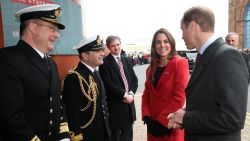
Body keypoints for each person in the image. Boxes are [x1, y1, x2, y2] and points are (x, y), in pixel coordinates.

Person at [167, 6, 249, 141]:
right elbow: (207, 103)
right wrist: (184, 114)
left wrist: (187, 118)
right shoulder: (204, 55)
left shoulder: (227, 56)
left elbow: (233, 118)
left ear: (192, 26)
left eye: (182, 29)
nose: (181, 36)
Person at [0, 4, 70, 141]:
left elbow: (58, 105)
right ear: (32, 27)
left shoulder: (51, 63)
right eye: (52, 29)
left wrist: (64, 137)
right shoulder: (7, 60)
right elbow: (11, 119)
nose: (56, 35)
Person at [141, 28, 189, 141]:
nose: (162, 45)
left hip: (170, 124)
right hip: (153, 126)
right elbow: (146, 95)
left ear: (171, 43)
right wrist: (147, 117)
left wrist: (162, 122)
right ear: (154, 45)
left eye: (166, 41)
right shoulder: (150, 68)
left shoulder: (180, 63)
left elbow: (179, 97)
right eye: (158, 42)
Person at [62, 35, 111, 141]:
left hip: (102, 133)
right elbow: (71, 113)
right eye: (98, 51)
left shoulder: (95, 72)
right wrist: (77, 137)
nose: (103, 53)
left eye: (101, 50)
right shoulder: (74, 77)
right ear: (85, 55)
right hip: (88, 136)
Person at [99, 35, 138, 141]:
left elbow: (134, 80)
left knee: (128, 135)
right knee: (115, 137)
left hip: (129, 106)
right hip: (116, 107)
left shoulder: (126, 60)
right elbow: (107, 84)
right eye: (113, 46)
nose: (116, 48)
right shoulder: (104, 63)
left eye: (118, 44)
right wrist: (124, 95)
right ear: (108, 47)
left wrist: (131, 94)